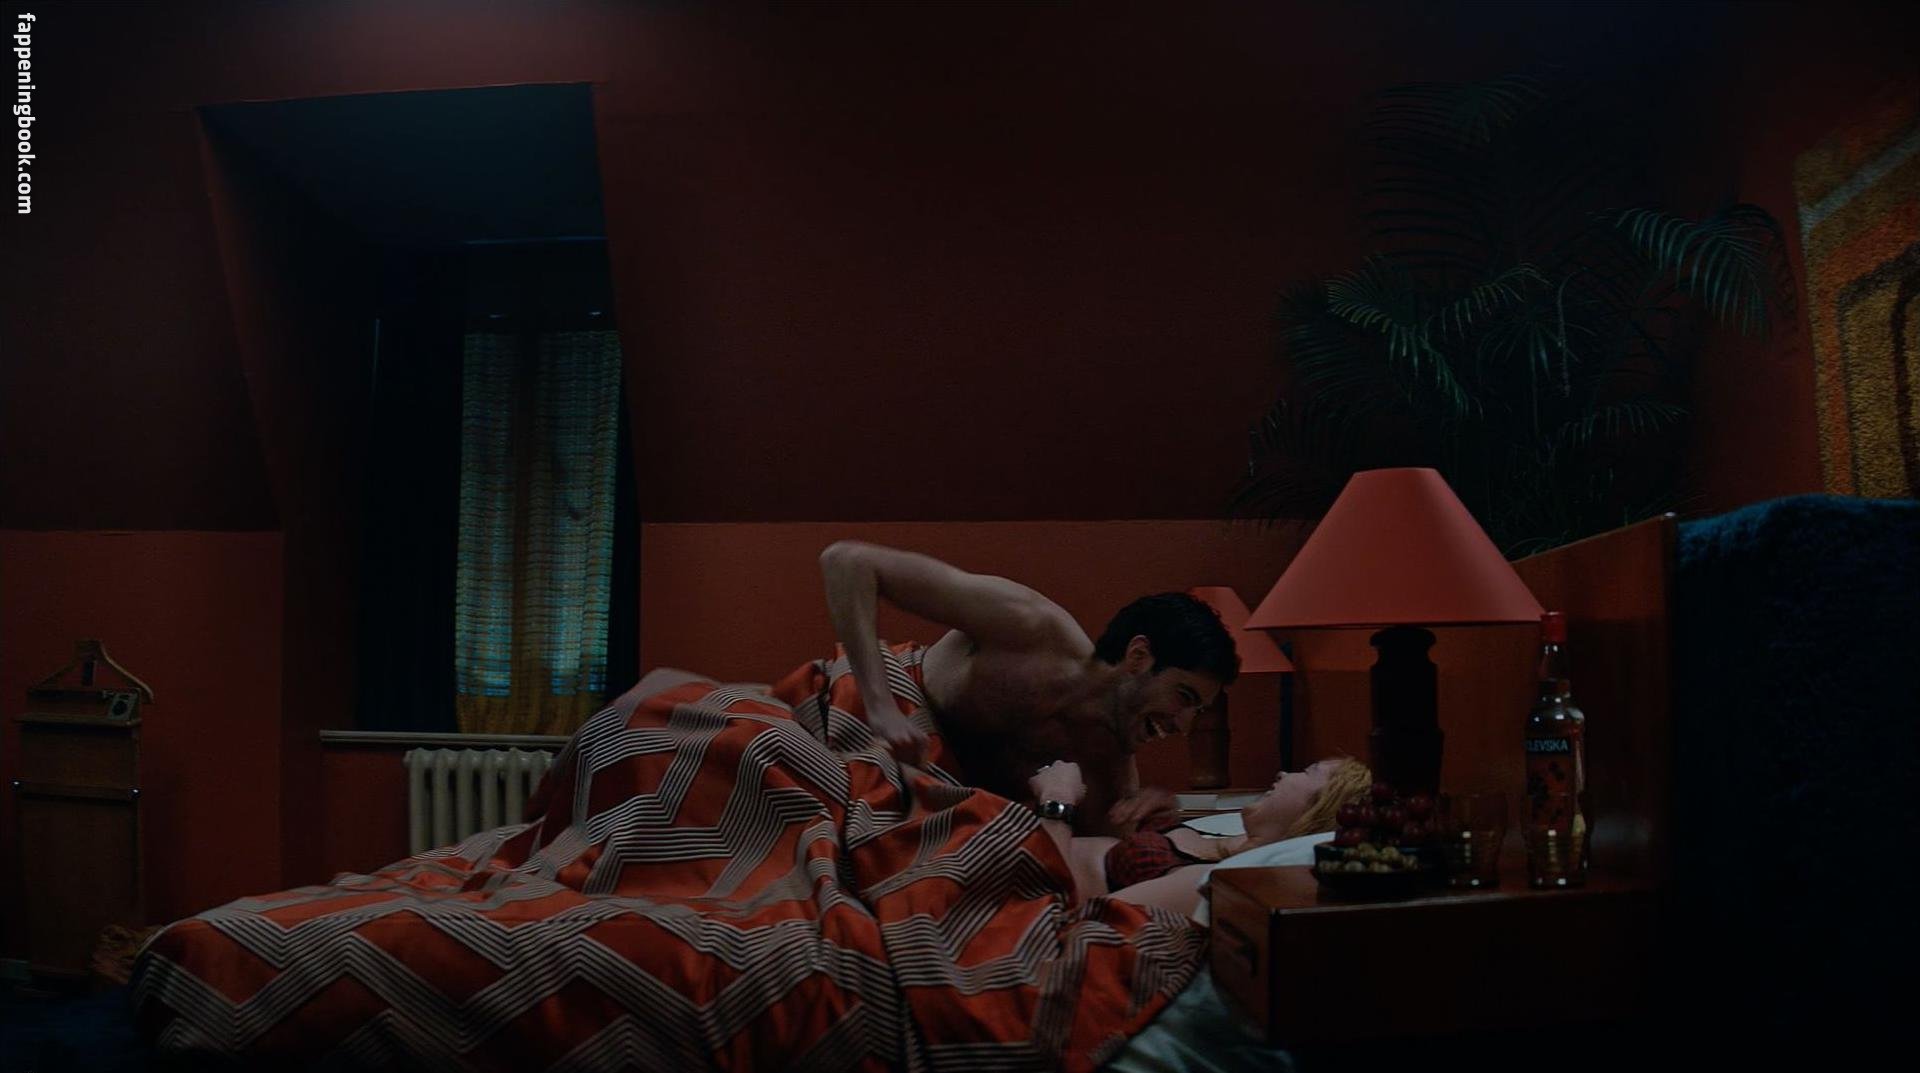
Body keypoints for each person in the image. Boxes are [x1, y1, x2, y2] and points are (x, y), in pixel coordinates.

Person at [819, 541, 1239, 836]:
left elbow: (1086, 868)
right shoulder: (1032, 628)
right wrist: (880, 705)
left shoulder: (1108, 774)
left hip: (914, 805)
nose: (1184, 726)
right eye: (1184, 697)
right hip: (867, 715)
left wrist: (1156, 822)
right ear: (1139, 655)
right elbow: (848, 562)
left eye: (1197, 711)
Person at [1029, 757, 1374, 915]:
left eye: (1308, 771)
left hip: (1023, 887)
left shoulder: (1212, 883)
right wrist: (1156, 813)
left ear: (1320, 809)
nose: (1284, 772)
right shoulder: (1230, 844)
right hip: (1017, 855)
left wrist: (1057, 802)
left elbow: (1062, 919)